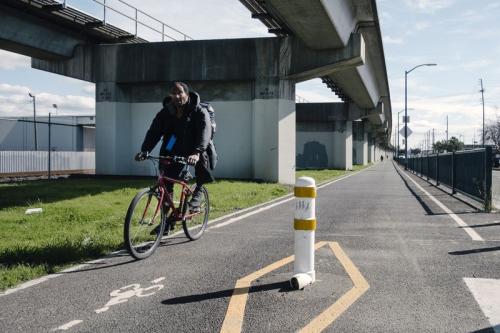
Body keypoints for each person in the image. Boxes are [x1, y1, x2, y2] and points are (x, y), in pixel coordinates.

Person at [135, 81, 214, 212]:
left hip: (195, 144)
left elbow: (205, 132)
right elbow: (154, 132)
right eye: (174, 93)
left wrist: (197, 152)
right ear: (170, 95)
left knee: (201, 162)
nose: (177, 96)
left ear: (187, 94)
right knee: (166, 179)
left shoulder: (198, 111)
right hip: (174, 142)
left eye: (180, 93)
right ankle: (166, 221)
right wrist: (145, 150)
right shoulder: (166, 112)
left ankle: (198, 191)